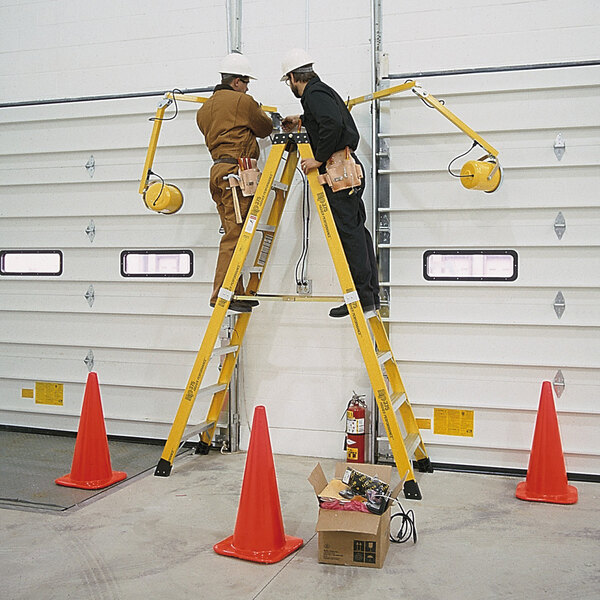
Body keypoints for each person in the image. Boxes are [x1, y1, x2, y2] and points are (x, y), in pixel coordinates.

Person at [280, 49, 380, 318]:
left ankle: (360, 297)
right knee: (358, 232)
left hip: (337, 169)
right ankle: (370, 295)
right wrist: (300, 120)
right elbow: (328, 118)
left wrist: (318, 158)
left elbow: (332, 124)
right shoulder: (321, 92)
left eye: (288, 81)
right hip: (346, 169)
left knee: (350, 235)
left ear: (292, 77)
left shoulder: (313, 93)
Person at [196, 53, 273, 312]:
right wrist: (263, 113)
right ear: (237, 81)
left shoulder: (204, 110)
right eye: (246, 82)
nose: (248, 86)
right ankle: (221, 294)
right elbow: (264, 128)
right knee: (236, 234)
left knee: (232, 231)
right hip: (235, 176)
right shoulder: (243, 101)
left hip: (217, 173)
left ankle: (235, 291)